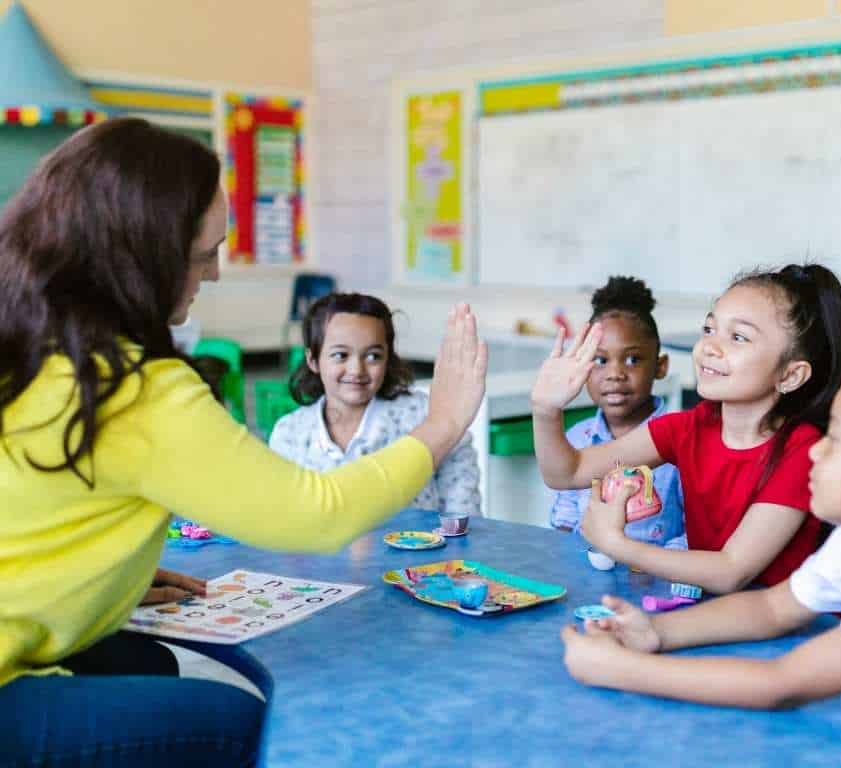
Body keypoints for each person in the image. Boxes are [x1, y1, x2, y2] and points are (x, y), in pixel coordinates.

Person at [0, 117, 486, 767]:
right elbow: (316, 513)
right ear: (140, 256)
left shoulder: (29, 340)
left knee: (142, 658)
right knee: (235, 721)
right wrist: (444, 423)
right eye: (203, 255)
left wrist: (101, 579)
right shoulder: (130, 385)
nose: (218, 273)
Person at [561, 361, 841, 768]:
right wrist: (658, 633)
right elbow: (773, 609)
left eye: (836, 439)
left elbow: (781, 684)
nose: (816, 450)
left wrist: (616, 670)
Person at [532, 264, 841, 593]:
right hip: (709, 612)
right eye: (709, 329)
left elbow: (731, 570)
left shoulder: (803, 451)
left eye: (738, 337)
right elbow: (568, 473)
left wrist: (618, 545)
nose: (709, 347)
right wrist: (545, 410)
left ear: (789, 375)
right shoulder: (691, 427)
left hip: (780, 632)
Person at [270, 292, 481, 517]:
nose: (356, 370)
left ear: (388, 358)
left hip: (421, 552)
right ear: (313, 360)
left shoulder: (427, 416)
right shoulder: (290, 433)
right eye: (340, 355)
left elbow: (463, 504)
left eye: (373, 356)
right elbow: (282, 517)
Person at [548, 276, 684, 548]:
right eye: (600, 360)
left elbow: (697, 534)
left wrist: (660, 568)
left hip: (656, 579)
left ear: (661, 366)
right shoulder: (577, 438)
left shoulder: (682, 441)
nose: (615, 374)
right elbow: (563, 523)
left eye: (633, 359)